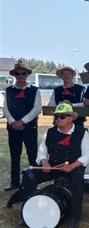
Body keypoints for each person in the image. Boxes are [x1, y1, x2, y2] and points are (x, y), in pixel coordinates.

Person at [12, 103, 89, 228]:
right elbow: (42, 151)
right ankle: (28, 211)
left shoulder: (82, 132)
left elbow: (87, 154)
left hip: (72, 167)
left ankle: (75, 216)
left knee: (78, 179)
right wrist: (44, 162)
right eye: (57, 117)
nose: (58, 119)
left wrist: (72, 166)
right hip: (53, 166)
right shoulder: (50, 132)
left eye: (62, 116)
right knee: (29, 175)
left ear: (71, 118)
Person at [4, 61, 42, 191]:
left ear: (27, 75)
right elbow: (6, 109)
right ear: (14, 75)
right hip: (13, 129)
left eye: (23, 73)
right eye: (18, 73)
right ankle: (15, 183)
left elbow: (37, 109)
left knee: (33, 156)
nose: (20, 75)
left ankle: (35, 183)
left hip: (29, 128)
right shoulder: (8, 90)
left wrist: (23, 121)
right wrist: (12, 122)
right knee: (15, 156)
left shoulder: (34, 90)